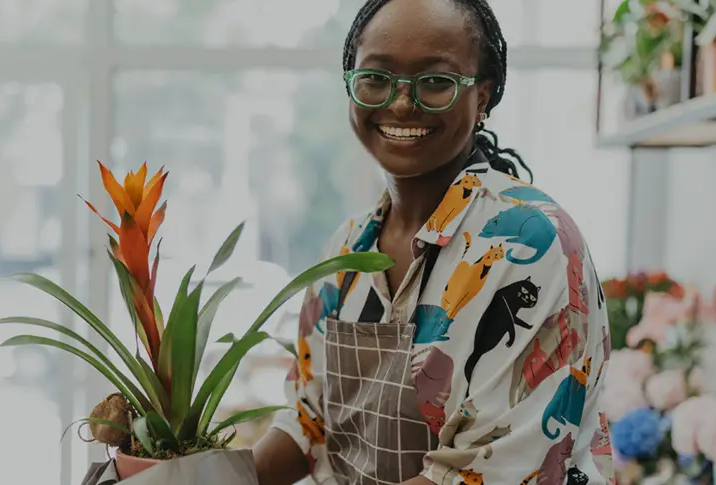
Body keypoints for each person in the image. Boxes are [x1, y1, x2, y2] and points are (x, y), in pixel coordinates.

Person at [252, 0, 613, 484]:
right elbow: (308, 422)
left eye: (436, 81)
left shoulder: (530, 242)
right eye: (376, 78)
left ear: (482, 95)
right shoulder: (347, 251)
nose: (401, 103)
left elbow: (480, 472)